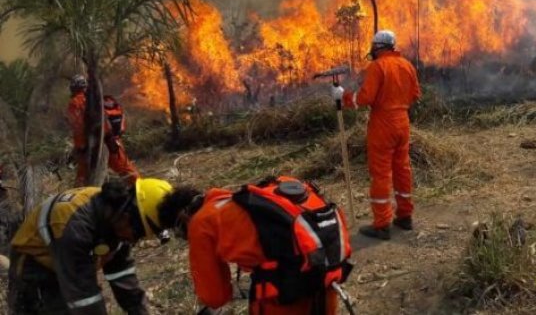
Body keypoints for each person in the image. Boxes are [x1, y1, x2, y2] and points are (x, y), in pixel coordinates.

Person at [158, 175, 352, 315]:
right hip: (327, 279)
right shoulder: (255, 198)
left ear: (183, 216)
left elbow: (215, 297)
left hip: (283, 296)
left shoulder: (202, 222)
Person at [7, 177, 175, 314]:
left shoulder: (116, 220)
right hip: (35, 271)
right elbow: (84, 298)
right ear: (126, 214)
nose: (133, 241)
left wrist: (140, 311)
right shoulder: (72, 225)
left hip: (70, 266)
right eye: (138, 234)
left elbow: (122, 276)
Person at [333, 30, 422, 240]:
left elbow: (364, 98)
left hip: (383, 124)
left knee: (381, 172)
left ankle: (382, 225)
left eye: (373, 47)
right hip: (403, 122)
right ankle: (405, 216)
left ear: (378, 47)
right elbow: (416, 94)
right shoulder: (407, 65)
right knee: (402, 168)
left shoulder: (377, 66)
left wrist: (343, 96)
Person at [67, 75, 139, 186]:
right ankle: (140, 190)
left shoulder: (75, 103)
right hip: (112, 142)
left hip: (92, 145)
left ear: (73, 88)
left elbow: (78, 127)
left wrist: (79, 148)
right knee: (126, 170)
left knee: (83, 178)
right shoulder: (99, 98)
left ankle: (82, 200)